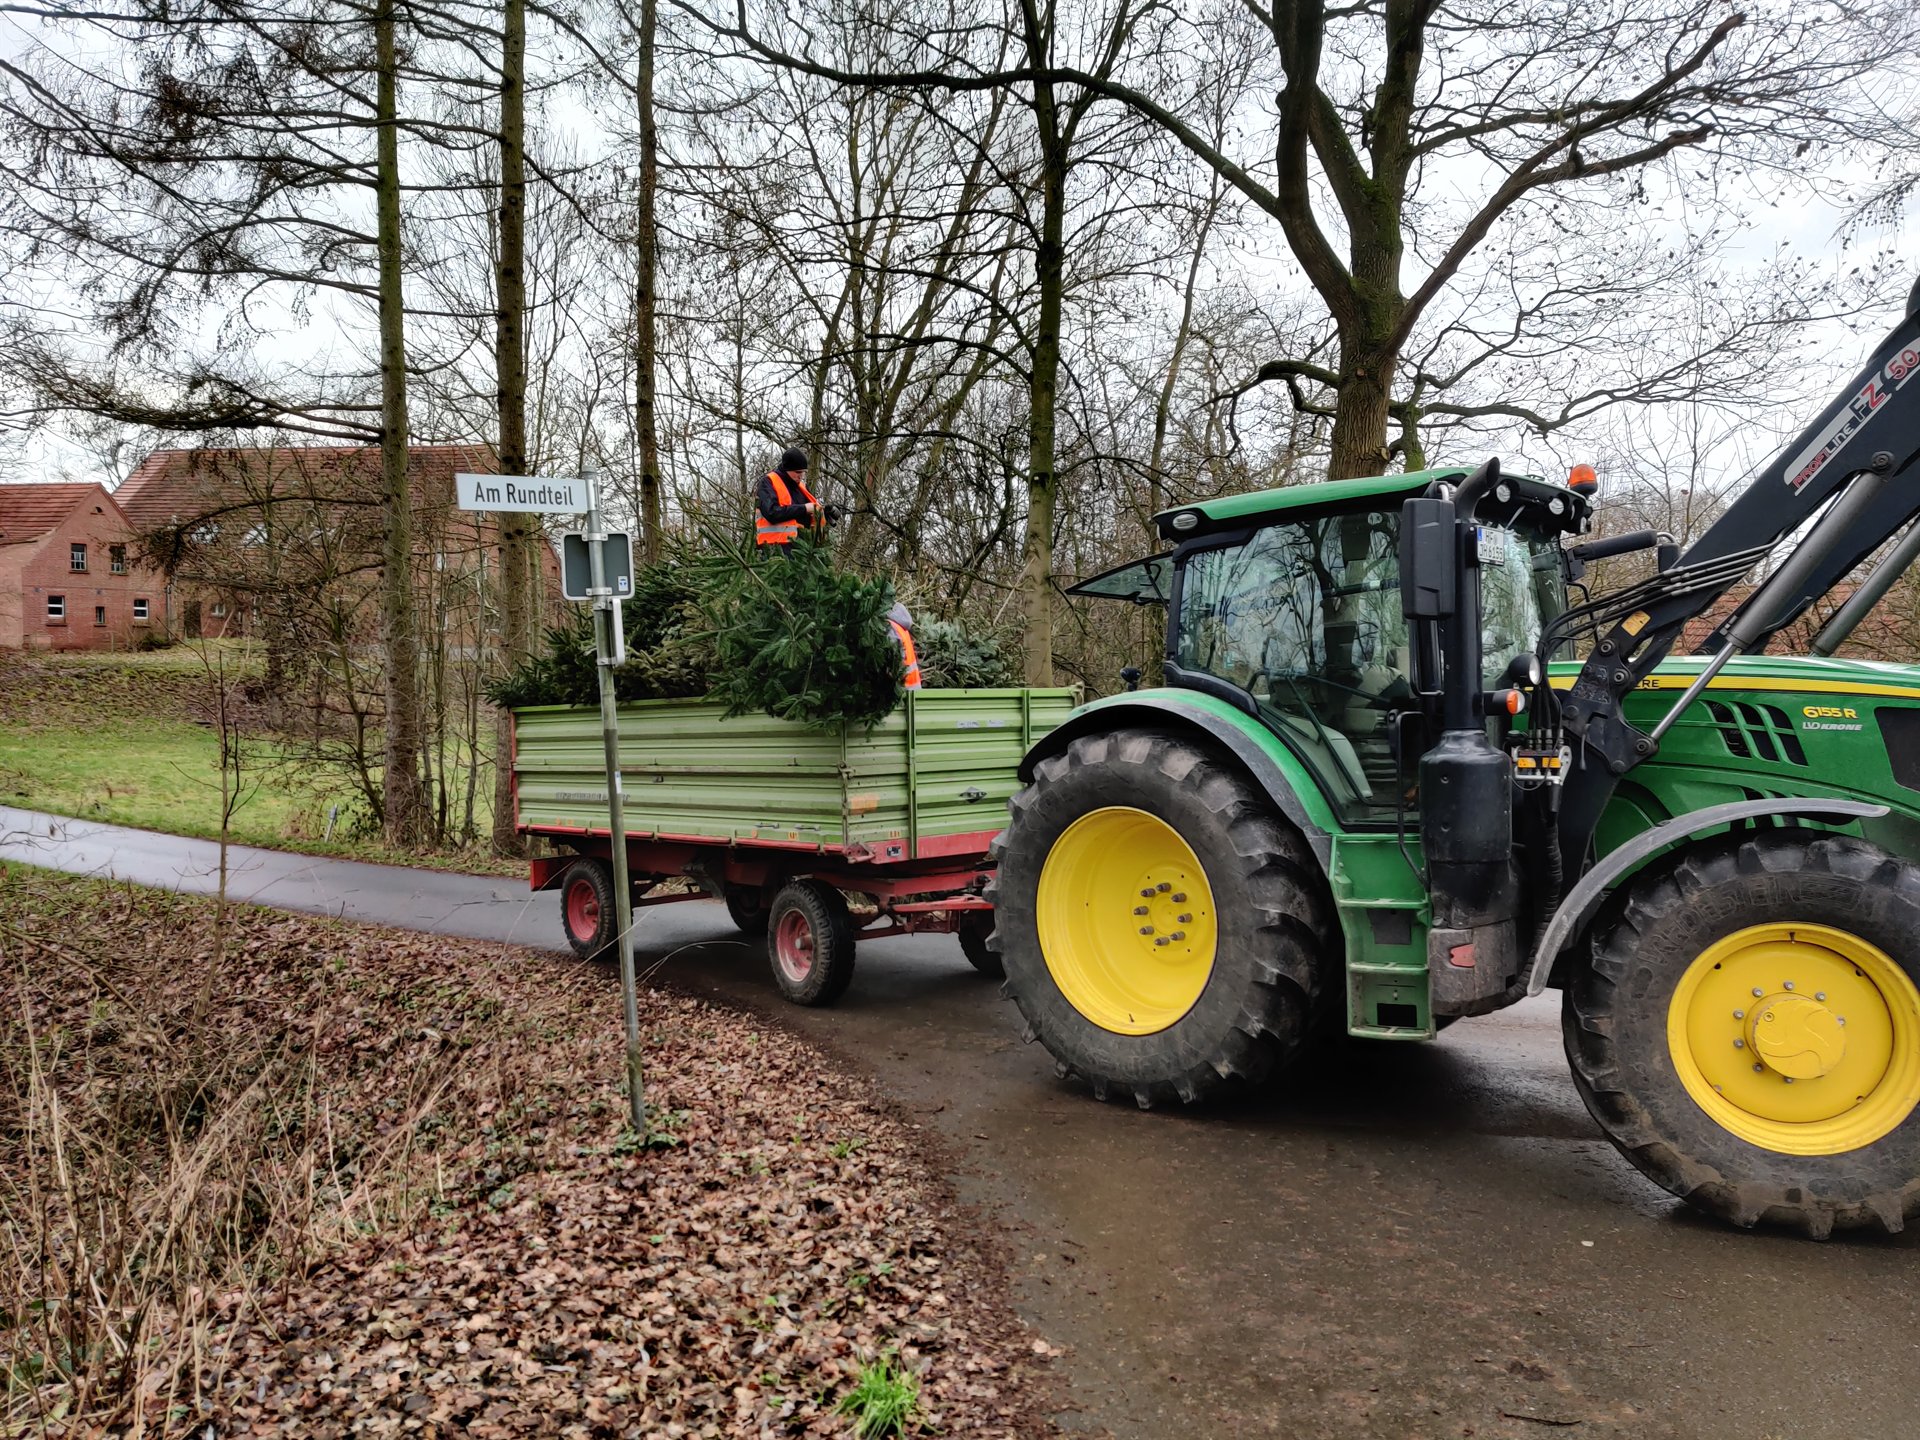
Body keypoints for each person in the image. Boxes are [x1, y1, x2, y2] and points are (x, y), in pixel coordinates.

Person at [755, 446, 826, 550]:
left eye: (804, 472)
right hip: (773, 549)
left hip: (801, 549)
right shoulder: (768, 482)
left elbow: (810, 514)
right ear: (786, 469)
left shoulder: (802, 487)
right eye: (798, 472)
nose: (801, 476)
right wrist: (805, 508)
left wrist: (827, 512)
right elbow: (771, 513)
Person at [886, 601, 923, 690]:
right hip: (913, 688)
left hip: (902, 690)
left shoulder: (890, 627)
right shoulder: (899, 625)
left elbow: (895, 664)